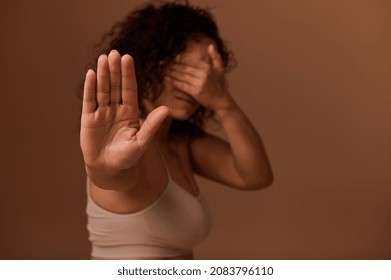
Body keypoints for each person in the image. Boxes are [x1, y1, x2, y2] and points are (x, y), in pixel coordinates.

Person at [80, 0, 273, 260]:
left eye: (209, 72)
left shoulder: (180, 143)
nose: (199, 84)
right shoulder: (130, 144)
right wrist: (100, 166)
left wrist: (224, 103)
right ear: (152, 62)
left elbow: (255, 176)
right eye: (188, 70)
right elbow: (113, 175)